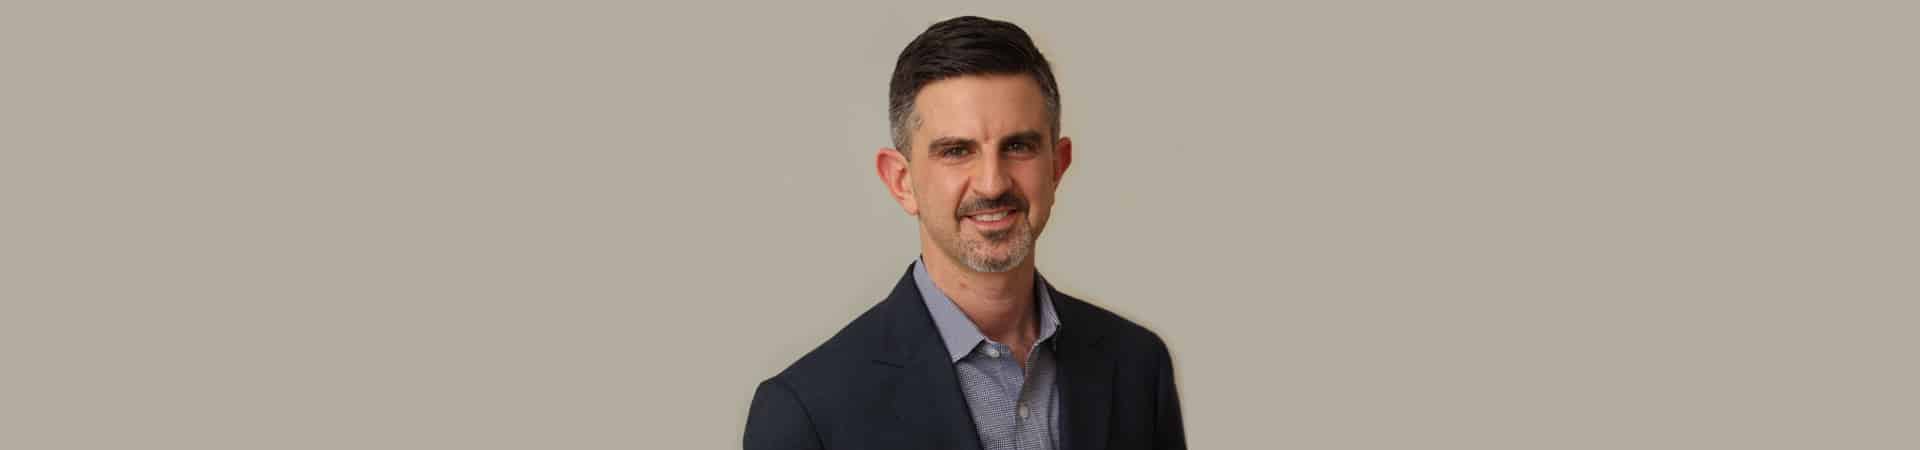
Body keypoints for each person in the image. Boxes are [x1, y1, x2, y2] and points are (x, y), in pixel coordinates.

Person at [744, 16, 1185, 450]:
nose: (992, 184)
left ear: (1057, 165)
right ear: (902, 181)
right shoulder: (806, 413)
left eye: (1018, 146)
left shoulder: (1138, 367)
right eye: (956, 151)